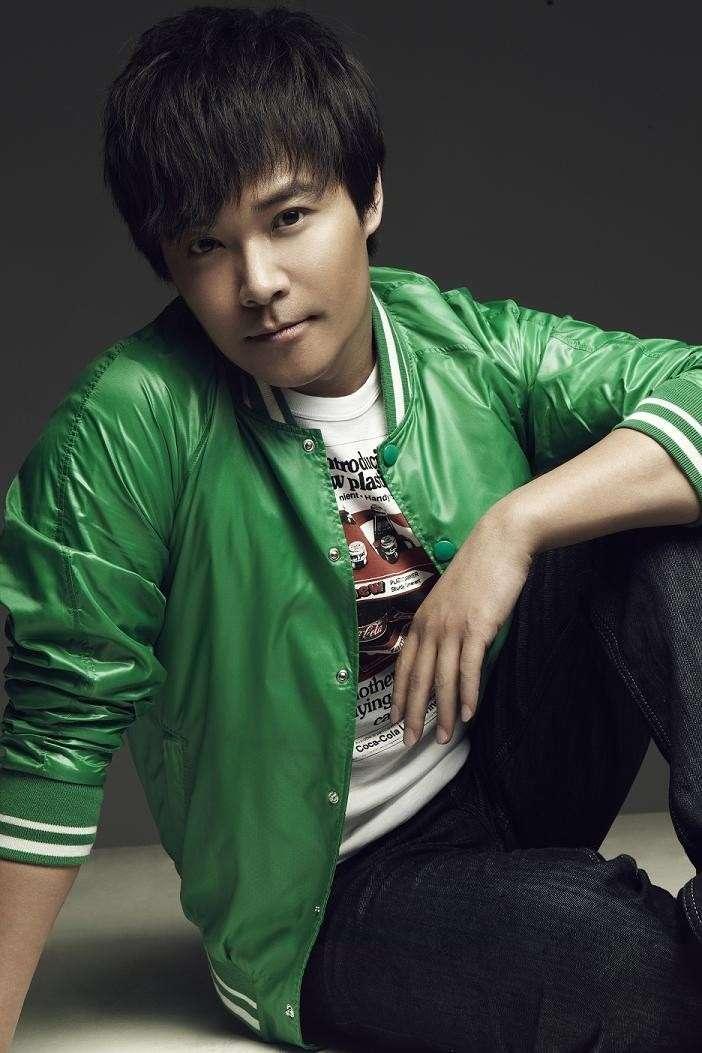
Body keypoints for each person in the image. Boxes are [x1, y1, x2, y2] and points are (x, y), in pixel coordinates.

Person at [1, 5, 702, 1050]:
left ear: (367, 196)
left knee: (662, 513)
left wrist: (514, 526)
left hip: (505, 772)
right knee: (632, 971)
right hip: (335, 898)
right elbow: (55, 730)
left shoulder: (457, 343)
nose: (258, 283)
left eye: (289, 217)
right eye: (206, 244)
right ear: (169, 262)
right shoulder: (131, 419)